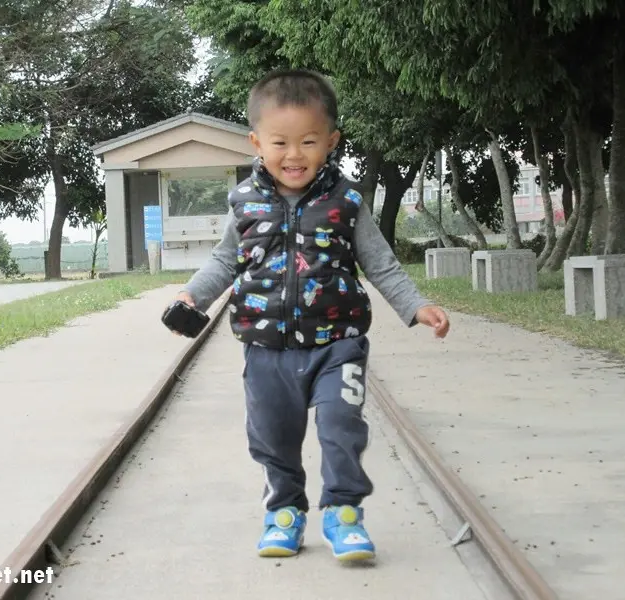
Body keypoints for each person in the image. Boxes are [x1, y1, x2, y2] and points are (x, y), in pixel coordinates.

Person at [168, 69, 450, 562]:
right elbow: (223, 261)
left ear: (332, 141)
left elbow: (380, 263)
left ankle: (344, 514)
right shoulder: (244, 204)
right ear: (257, 142)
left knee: (342, 427)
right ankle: (284, 513)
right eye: (280, 142)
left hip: (337, 343)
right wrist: (194, 298)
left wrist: (415, 305)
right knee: (273, 437)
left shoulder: (347, 202)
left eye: (309, 142)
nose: (294, 155)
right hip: (265, 348)